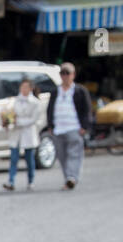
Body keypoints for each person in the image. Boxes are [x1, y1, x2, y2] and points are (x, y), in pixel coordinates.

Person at [47, 61, 90, 190]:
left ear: (73, 75)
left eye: (67, 73)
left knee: (74, 154)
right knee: (62, 156)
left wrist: (85, 126)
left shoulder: (80, 91)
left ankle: (72, 177)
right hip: (59, 128)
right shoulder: (56, 91)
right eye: (62, 73)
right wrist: (50, 125)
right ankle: (68, 179)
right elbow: (50, 109)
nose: (65, 76)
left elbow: (86, 110)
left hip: (74, 127)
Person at [3, 76, 39, 191]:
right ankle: (11, 181)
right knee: (14, 158)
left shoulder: (35, 103)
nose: (23, 89)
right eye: (22, 87)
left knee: (29, 158)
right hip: (16, 133)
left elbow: (33, 119)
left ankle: (31, 180)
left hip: (27, 132)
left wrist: (18, 121)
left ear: (31, 88)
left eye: (26, 87)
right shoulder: (14, 101)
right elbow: (7, 112)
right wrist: (7, 120)